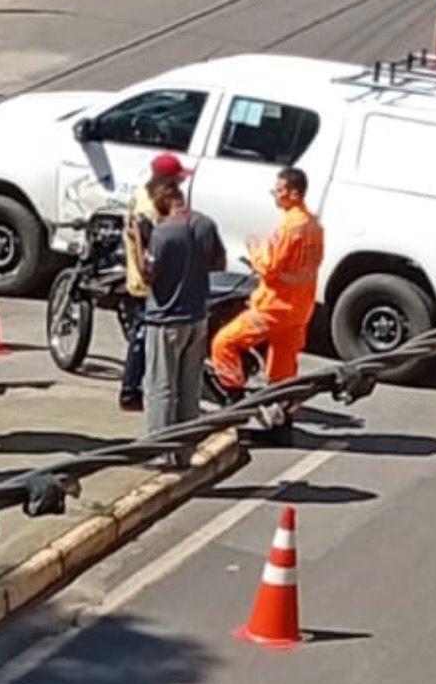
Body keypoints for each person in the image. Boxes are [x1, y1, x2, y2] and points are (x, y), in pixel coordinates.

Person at [210, 167, 324, 436]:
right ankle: (282, 425)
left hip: (274, 306)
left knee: (223, 343)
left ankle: (234, 404)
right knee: (282, 371)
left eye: (280, 189)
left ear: (294, 193)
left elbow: (269, 267)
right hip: (299, 309)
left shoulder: (289, 227)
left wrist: (254, 250)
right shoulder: (314, 226)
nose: (276, 194)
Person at [138, 177, 225, 467]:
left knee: (160, 386)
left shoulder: (163, 234)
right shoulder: (205, 224)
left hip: (166, 319)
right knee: (189, 386)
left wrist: (139, 241)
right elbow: (219, 263)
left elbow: (148, 275)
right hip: (197, 316)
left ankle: (159, 452)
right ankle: (186, 451)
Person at [119, 153, 189, 412]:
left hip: (146, 278)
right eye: (177, 179)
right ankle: (130, 391)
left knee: (145, 334)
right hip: (146, 282)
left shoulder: (144, 194)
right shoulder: (148, 211)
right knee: (143, 336)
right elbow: (147, 250)